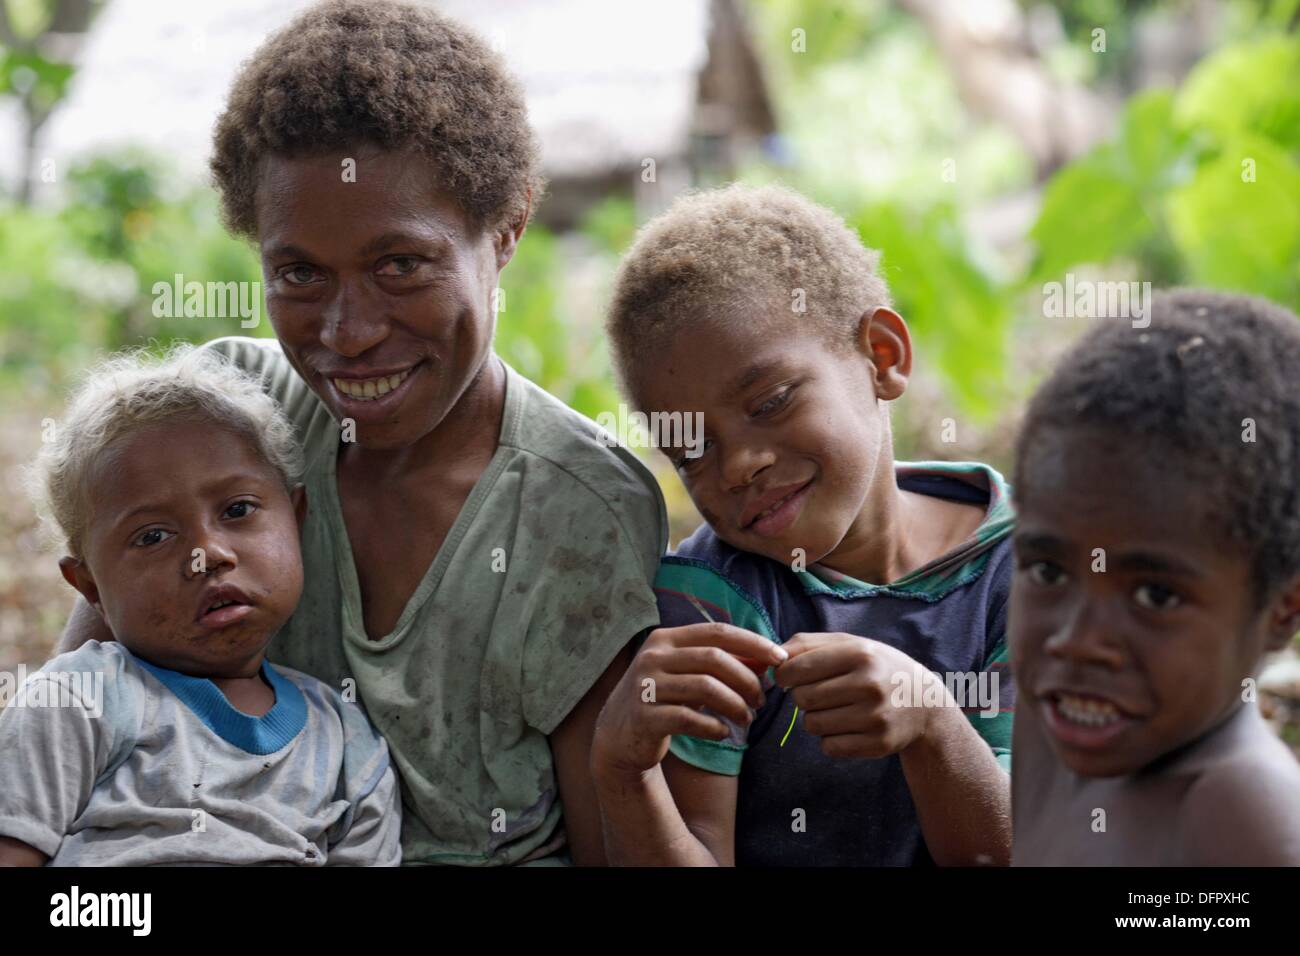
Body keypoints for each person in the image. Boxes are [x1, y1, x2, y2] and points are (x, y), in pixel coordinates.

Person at [53, 0, 666, 866]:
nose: (347, 332)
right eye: (299, 273)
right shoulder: (221, 421)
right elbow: (56, 735)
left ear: (508, 230)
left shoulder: (576, 511)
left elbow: (609, 838)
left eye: (400, 265)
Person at [592, 184, 1013, 865]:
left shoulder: (1024, 570)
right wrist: (621, 771)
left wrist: (934, 724)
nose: (738, 467)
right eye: (692, 452)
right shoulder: (711, 601)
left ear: (882, 356)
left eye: (771, 402)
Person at [0, 347, 401, 866]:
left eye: (237, 510)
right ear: (89, 586)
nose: (207, 554)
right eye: (153, 536)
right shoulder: (76, 704)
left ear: (295, 519)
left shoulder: (349, 747)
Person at [1009, 289, 1300, 865]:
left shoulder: (1243, 815)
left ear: (1283, 611)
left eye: (1155, 595)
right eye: (1047, 570)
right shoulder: (1053, 721)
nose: (1076, 640)